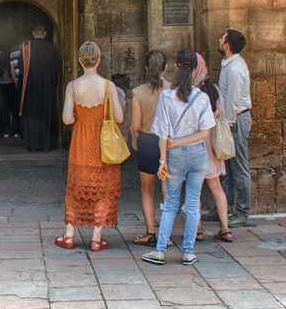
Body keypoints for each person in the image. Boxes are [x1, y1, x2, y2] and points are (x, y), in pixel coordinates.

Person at [142, 49, 216, 266]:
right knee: (193, 203)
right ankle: (188, 252)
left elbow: (162, 133)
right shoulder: (201, 98)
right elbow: (205, 132)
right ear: (195, 70)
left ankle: (160, 250)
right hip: (198, 155)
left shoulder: (166, 97)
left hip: (174, 156)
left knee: (170, 202)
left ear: (175, 67)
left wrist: (163, 159)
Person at [55, 42, 124, 252]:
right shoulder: (107, 86)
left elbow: (67, 119)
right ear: (99, 60)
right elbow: (119, 118)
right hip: (102, 145)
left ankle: (69, 236)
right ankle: (96, 239)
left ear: (79, 61)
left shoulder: (72, 86)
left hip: (80, 144)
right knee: (102, 189)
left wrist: (78, 116)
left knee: (75, 188)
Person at [131, 50, 170, 247]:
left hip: (147, 141)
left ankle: (150, 232)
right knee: (167, 190)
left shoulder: (138, 93)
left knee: (147, 189)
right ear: (166, 68)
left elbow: (136, 125)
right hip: (169, 143)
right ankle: (166, 234)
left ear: (146, 68)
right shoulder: (174, 90)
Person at [192, 53, 232, 244]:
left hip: (197, 144)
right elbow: (222, 115)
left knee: (195, 190)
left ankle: (197, 229)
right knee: (216, 187)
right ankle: (225, 228)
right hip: (212, 146)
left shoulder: (190, 92)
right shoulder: (214, 90)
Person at [217, 29, 252, 228]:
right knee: (228, 168)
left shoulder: (235, 68)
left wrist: (227, 124)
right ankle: (225, 206)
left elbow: (233, 100)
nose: (219, 40)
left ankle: (242, 210)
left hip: (235, 120)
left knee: (239, 167)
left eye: (222, 38)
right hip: (231, 120)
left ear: (227, 45)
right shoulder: (229, 65)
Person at [19, 24, 61, 152]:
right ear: (45, 34)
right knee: (46, 114)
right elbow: (57, 68)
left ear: (33, 33)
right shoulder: (52, 48)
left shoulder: (26, 48)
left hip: (30, 88)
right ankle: (46, 145)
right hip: (47, 87)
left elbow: (21, 70)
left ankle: (33, 145)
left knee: (32, 116)